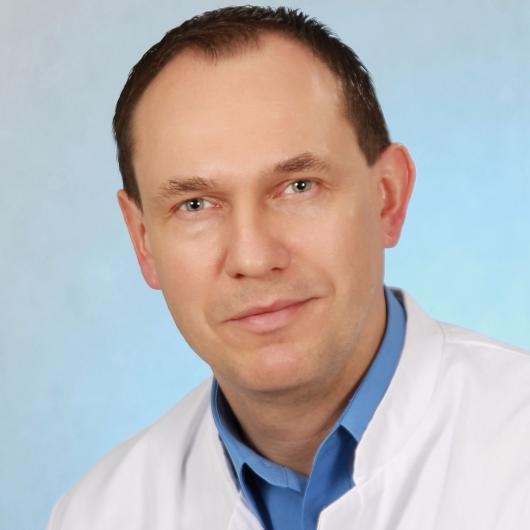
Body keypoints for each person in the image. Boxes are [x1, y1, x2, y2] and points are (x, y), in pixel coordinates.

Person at [46, 6, 530, 530]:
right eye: (195, 205)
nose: (253, 258)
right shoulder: (99, 513)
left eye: (299, 187)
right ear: (143, 241)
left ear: (387, 198)